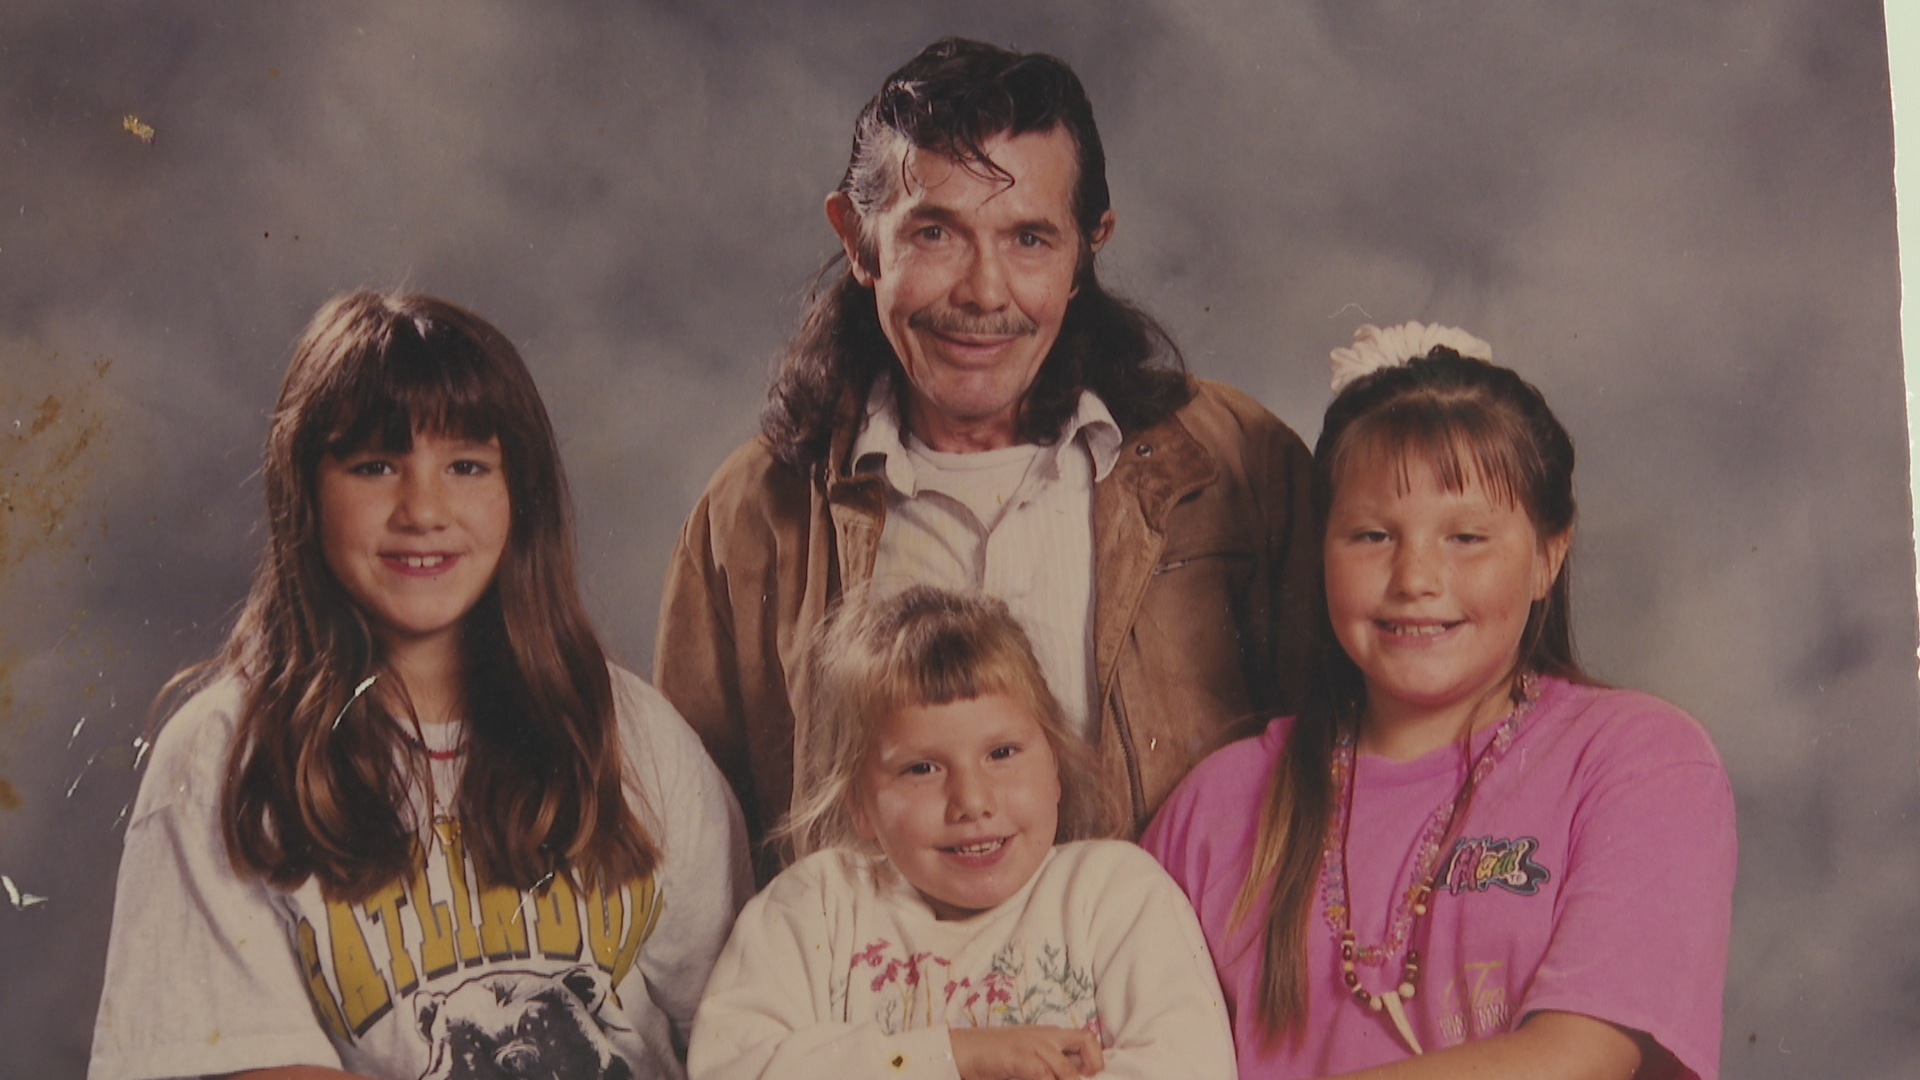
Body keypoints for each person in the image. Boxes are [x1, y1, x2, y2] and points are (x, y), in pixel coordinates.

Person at [656, 37, 1318, 872]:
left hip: (1178, 997)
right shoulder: (747, 518)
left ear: (1088, 248)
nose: (984, 291)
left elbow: (1356, 772)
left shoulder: (1236, 463)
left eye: (1029, 239)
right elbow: (692, 861)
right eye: (936, 233)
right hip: (872, 1003)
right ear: (859, 240)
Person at [89, 292, 752, 1080]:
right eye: (375, 466)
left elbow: (747, 1030)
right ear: (305, 489)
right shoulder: (224, 759)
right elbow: (240, 1066)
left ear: (520, 494)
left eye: (467, 465)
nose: (423, 510)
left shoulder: (633, 736)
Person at [1142, 324, 1737, 1080]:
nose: (1415, 577)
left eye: (1465, 537)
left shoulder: (1637, 760)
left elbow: (1576, 1061)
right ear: (1320, 549)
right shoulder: (1213, 807)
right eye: (1369, 535)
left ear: (1548, 555)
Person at [686, 585, 1237, 1080]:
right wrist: (954, 1055)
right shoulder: (813, 909)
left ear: (1056, 768)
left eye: (1002, 753)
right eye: (921, 768)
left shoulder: (1115, 893)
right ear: (858, 801)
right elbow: (731, 1066)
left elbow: (1190, 1066)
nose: (972, 802)